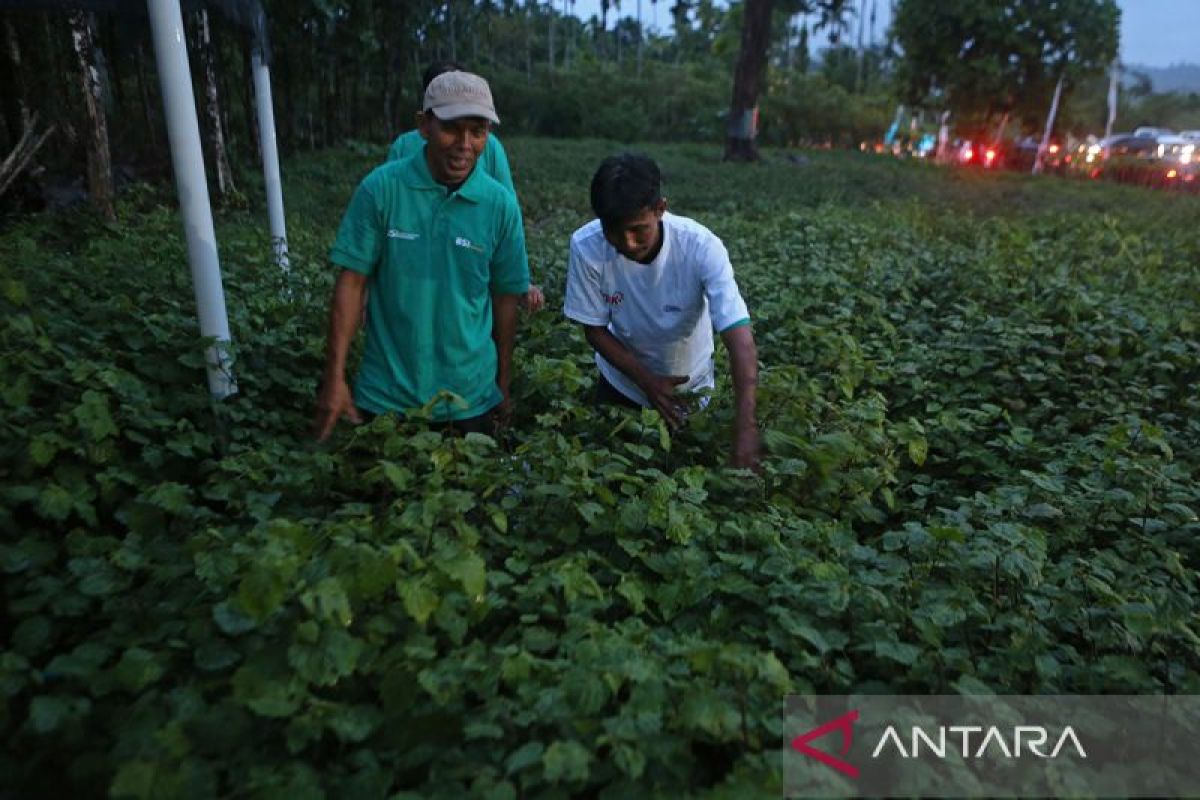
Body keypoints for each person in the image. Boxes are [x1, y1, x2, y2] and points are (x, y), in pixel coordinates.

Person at [314, 71, 530, 441]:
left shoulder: (499, 206)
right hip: (386, 397)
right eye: (451, 128)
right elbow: (351, 284)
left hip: (470, 400)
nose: (464, 144)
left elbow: (505, 298)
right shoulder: (381, 189)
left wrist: (502, 385)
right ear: (423, 125)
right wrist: (334, 379)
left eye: (477, 131)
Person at [563, 153, 762, 469]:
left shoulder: (700, 247)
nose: (627, 243)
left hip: (691, 392)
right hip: (621, 385)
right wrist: (646, 380)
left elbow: (740, 339)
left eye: (638, 230)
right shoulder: (587, 246)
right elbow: (595, 330)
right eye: (614, 232)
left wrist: (746, 425)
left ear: (660, 209)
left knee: (687, 474)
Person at [388, 62, 544, 312]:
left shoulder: (490, 147)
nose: (463, 143)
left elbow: (508, 212)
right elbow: (390, 216)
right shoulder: (403, 148)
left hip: (470, 260)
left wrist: (521, 280)